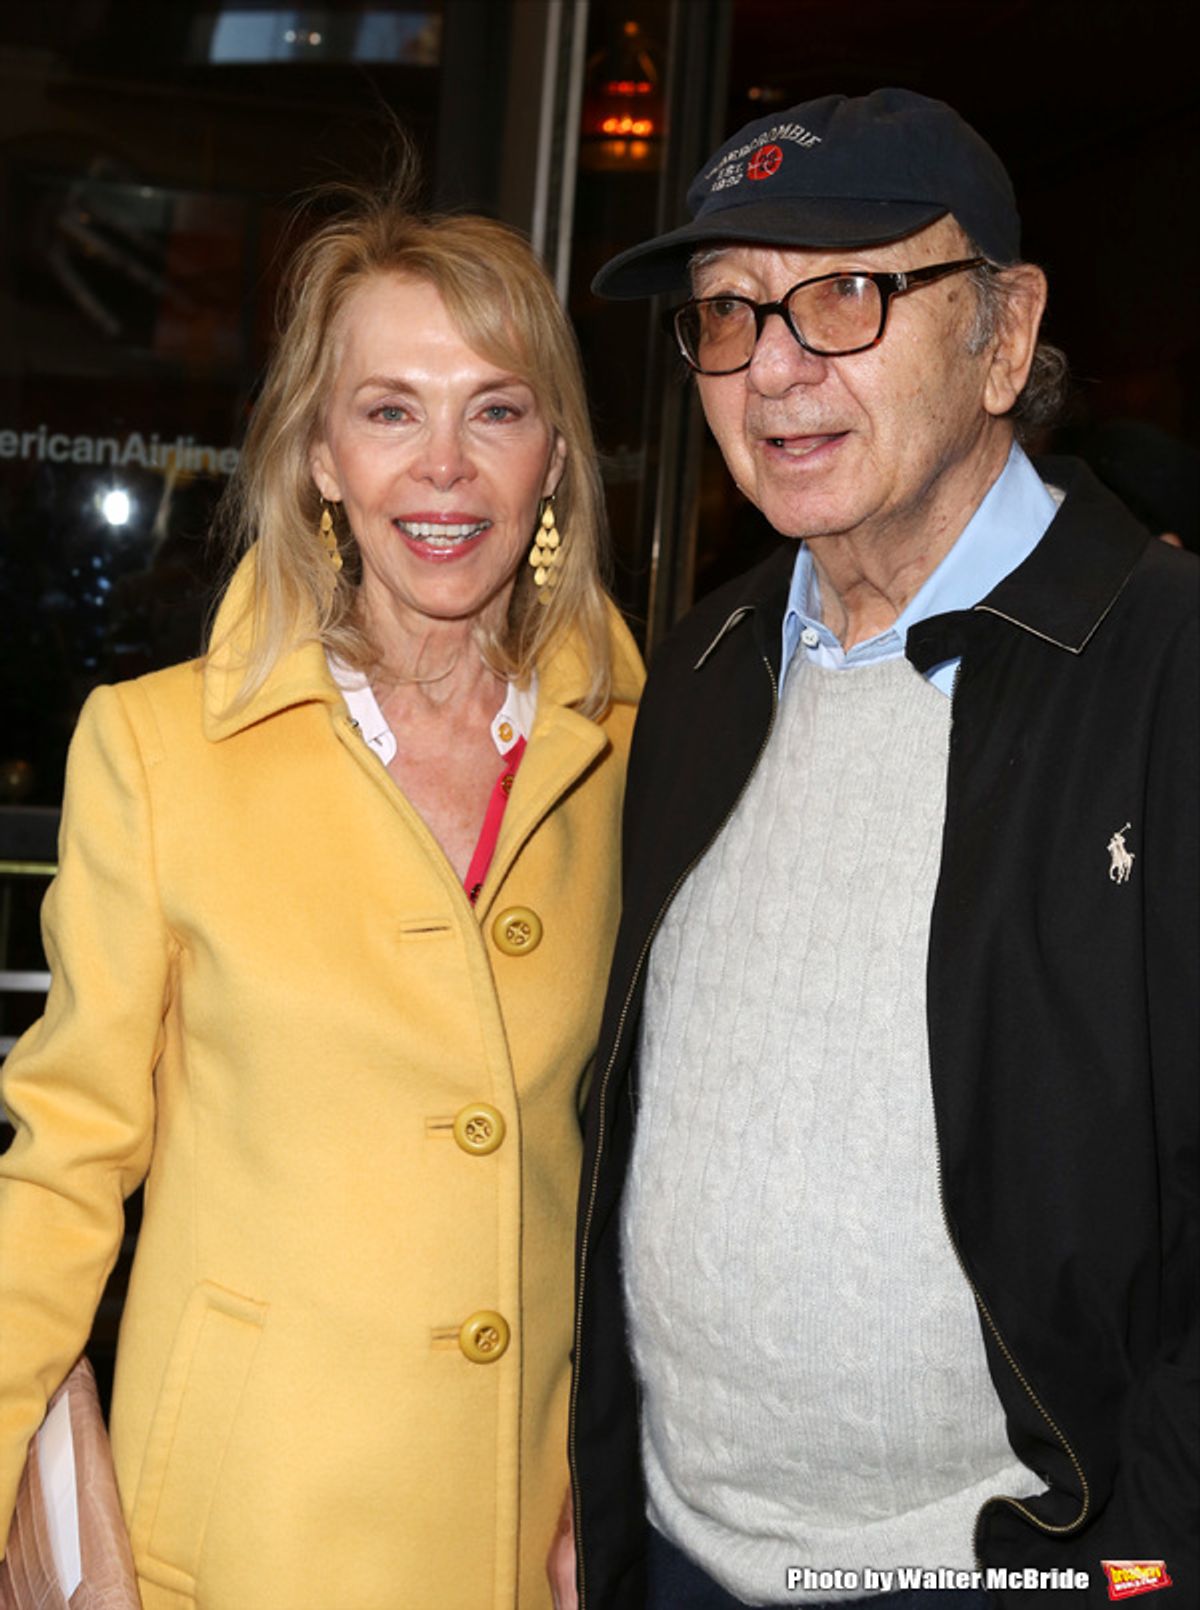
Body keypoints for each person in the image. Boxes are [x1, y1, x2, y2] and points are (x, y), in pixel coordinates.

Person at [563, 89, 1197, 1609]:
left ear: (1001, 332)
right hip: (679, 1560)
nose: (774, 366)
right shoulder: (705, 672)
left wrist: (1146, 1572)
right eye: (728, 311)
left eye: (845, 292)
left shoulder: (1167, 669)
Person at [0, 173, 643, 1609]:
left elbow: (657, 1176)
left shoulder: (635, 752)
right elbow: (62, 1165)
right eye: (390, 408)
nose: (445, 467)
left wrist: (624, 1474)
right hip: (239, 1540)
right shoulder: (162, 752)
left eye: (496, 407)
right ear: (317, 457)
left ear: (552, 457)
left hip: (528, 1540)